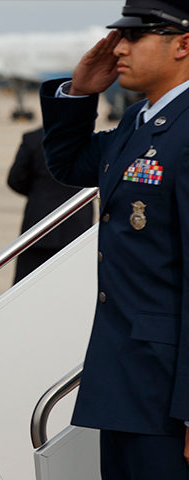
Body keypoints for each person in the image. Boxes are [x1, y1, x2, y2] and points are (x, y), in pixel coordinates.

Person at [39, 1, 189, 478]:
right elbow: (70, 163)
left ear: (183, 43)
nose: (117, 48)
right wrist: (79, 92)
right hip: (126, 380)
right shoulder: (140, 122)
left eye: (135, 36)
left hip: (167, 395)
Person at [7, 126, 93, 283]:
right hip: (77, 227)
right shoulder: (89, 140)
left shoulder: (32, 139)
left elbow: (15, 180)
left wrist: (38, 195)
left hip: (39, 226)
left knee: (29, 287)